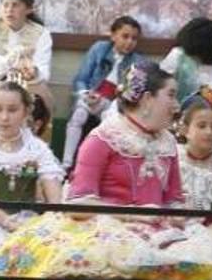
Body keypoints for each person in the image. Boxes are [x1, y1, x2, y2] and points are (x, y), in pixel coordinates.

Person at [66, 60, 183, 206]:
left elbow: (174, 199)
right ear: (147, 99)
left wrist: (177, 214)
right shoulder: (103, 139)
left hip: (159, 226)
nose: (177, 106)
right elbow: (77, 203)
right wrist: (133, 215)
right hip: (110, 226)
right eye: (171, 95)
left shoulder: (167, 142)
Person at [0, 82, 64, 224]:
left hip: (26, 222)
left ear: (25, 112)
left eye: (12, 110)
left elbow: (54, 199)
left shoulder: (37, 149)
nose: (4, 117)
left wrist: (52, 219)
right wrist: (6, 221)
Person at [60, 13, 142, 176]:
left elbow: (131, 94)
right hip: (90, 96)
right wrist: (85, 94)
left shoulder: (137, 61)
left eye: (134, 38)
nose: (129, 42)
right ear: (113, 35)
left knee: (109, 122)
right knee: (79, 115)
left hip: (112, 104)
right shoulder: (99, 49)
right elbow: (81, 78)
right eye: (125, 36)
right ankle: (67, 164)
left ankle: (97, 167)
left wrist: (117, 99)